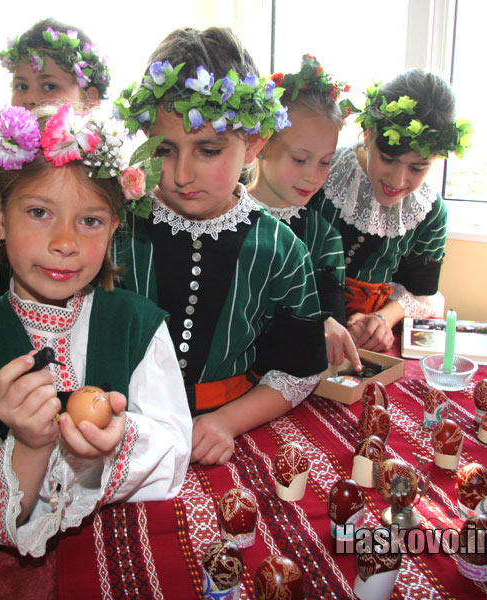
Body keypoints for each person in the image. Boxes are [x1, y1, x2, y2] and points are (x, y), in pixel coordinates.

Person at [0, 104, 192, 558]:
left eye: (89, 221)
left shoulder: (140, 327)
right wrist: (28, 448)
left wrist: (119, 441)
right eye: (38, 212)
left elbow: (175, 453)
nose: (65, 243)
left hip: (125, 558)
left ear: (113, 228)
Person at [112, 27, 329, 466]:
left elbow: (298, 369)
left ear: (253, 143)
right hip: (120, 432)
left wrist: (228, 420)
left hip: (229, 436)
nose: (180, 174)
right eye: (165, 149)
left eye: (208, 150)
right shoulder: (117, 228)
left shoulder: (282, 249)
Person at [309, 69, 472, 351]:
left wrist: (381, 319)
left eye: (418, 168)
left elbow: (423, 295)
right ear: (367, 134)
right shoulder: (319, 174)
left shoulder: (428, 213)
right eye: (387, 159)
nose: (397, 181)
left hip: (361, 348)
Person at [0, 18, 110, 300]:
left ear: (89, 99)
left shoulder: (104, 183)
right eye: (21, 86)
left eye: (49, 86)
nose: (30, 99)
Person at [248, 54, 361, 370]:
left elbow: (331, 327)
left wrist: (325, 325)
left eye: (325, 162)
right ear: (262, 145)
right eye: (300, 159)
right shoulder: (224, 218)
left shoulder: (324, 237)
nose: (313, 175)